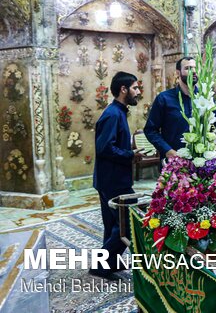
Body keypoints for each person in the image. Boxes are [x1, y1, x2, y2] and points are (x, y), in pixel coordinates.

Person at [90, 71, 142, 278]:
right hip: (114, 181)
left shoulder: (118, 112)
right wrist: (130, 154)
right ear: (123, 89)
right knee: (128, 225)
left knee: (113, 224)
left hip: (110, 179)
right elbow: (105, 148)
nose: (138, 92)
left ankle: (110, 263)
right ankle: (99, 265)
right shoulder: (113, 114)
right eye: (135, 88)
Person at [144, 56, 216, 160]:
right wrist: (167, 151)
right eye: (188, 68)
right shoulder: (164, 99)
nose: (193, 71)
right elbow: (150, 130)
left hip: (202, 162)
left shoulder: (206, 98)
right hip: (174, 162)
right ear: (178, 73)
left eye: (195, 68)